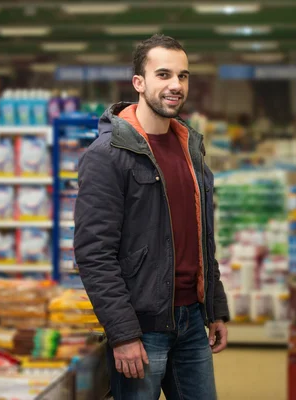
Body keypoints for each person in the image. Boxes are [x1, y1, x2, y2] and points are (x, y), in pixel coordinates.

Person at [74, 34, 230, 400]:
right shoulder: (108, 155)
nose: (176, 85)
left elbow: (202, 236)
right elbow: (94, 253)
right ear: (139, 83)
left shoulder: (190, 148)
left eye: (183, 76)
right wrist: (123, 333)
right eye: (163, 75)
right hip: (141, 328)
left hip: (192, 321)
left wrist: (215, 306)